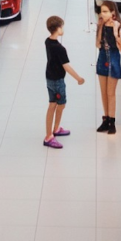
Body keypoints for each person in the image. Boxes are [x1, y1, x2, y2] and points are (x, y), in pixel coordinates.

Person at [43, 16, 86, 149]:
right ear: (58, 28)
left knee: (54, 104)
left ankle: (55, 129)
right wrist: (78, 78)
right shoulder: (60, 49)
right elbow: (66, 66)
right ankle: (49, 135)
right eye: (62, 26)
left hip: (50, 77)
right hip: (57, 80)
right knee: (58, 105)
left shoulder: (47, 42)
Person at [95, 1, 121, 135]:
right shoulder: (101, 26)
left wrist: (116, 34)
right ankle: (106, 119)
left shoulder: (120, 27)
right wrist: (100, 28)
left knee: (111, 93)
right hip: (102, 57)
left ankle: (112, 121)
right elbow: (98, 45)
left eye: (105, 11)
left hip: (113, 59)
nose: (102, 14)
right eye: (101, 11)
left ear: (113, 13)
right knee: (103, 92)